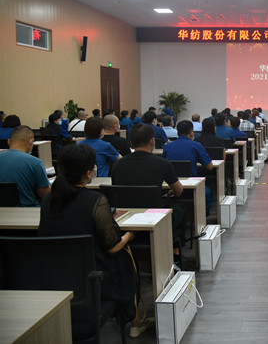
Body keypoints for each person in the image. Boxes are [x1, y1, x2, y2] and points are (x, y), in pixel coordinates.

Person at [38, 143, 154, 338]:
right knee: (125, 256)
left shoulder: (49, 199)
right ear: (88, 173)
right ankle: (135, 321)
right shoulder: (96, 200)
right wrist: (128, 235)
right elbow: (112, 246)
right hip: (92, 277)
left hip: (52, 273)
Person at [110, 123, 187, 262]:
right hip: (154, 218)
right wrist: (170, 192)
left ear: (131, 142)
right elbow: (179, 191)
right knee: (180, 209)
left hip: (125, 219)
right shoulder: (162, 163)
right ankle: (175, 253)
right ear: (152, 141)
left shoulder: (117, 164)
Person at [162, 120, 215, 215]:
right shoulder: (196, 145)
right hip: (192, 186)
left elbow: (163, 165)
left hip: (171, 186)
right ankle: (203, 217)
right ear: (192, 133)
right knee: (208, 192)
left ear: (177, 133)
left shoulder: (167, 147)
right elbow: (210, 166)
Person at [0, 126, 50, 206]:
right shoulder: (35, 163)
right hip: (28, 210)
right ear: (31, 142)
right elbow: (45, 194)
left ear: (8, 141)